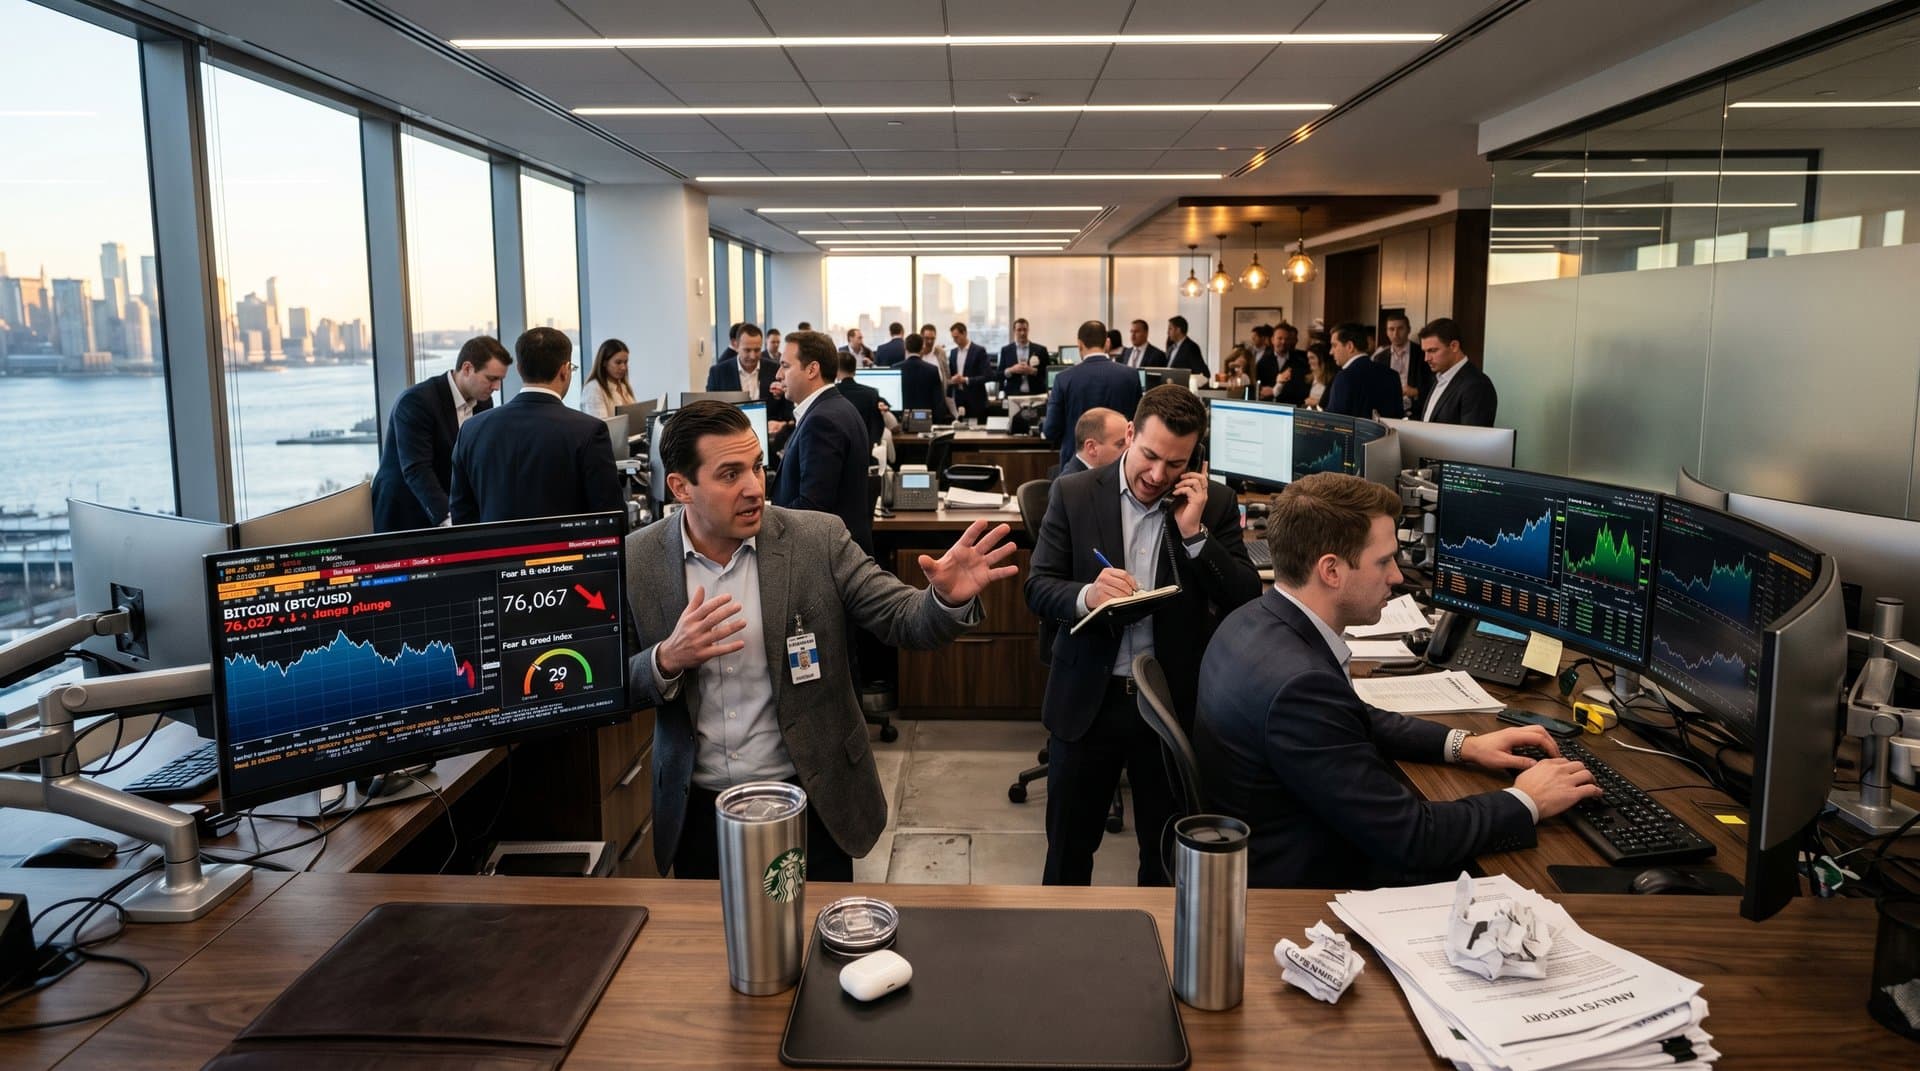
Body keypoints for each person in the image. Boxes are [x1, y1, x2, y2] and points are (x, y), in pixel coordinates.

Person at [626, 401, 1020, 880]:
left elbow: (902, 619)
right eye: (730, 475)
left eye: (757, 466)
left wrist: (943, 601)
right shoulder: (636, 560)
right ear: (680, 487)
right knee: (712, 949)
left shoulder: (817, 539)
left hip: (812, 797)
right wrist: (666, 659)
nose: (754, 488)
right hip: (700, 809)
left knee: (821, 945)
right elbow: (612, 682)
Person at [1193, 473, 1602, 888]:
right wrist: (1527, 799)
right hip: (1307, 886)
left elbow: (1351, 717)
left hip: (1272, 849)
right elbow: (1413, 837)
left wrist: (1463, 745)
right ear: (1331, 570)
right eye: (1384, 561)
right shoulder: (1300, 687)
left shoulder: (1252, 621)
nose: (1397, 577)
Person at [1028, 386, 1260, 886]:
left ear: (1195, 459)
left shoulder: (1213, 503)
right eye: (1150, 456)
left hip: (1168, 704)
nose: (1158, 476)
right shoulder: (1074, 493)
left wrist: (1195, 534)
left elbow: (1244, 596)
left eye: (1175, 464)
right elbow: (1038, 586)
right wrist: (1088, 595)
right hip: (1089, 699)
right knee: (1068, 854)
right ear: (1130, 434)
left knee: (1164, 860)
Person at [448, 327, 625, 524]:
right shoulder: (589, 431)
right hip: (565, 554)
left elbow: (461, 514)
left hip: (495, 553)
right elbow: (610, 517)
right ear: (564, 371)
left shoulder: (471, 429)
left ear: (519, 369)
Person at [370, 335, 508, 532]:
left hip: (449, 509)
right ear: (467, 368)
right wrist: (448, 520)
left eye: (500, 380)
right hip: (406, 513)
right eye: (491, 379)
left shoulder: (484, 403)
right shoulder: (417, 402)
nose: (496, 387)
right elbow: (417, 469)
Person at [773, 330, 876, 554]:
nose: (779, 374)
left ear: (812, 369)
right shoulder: (837, 407)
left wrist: (765, 517)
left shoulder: (822, 420)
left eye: (785, 366)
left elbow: (811, 508)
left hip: (824, 560)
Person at [1042, 320, 1144, 468]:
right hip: (1119, 466)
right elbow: (1137, 424)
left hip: (1076, 469)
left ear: (1079, 344)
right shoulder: (1131, 376)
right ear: (1107, 343)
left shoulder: (1063, 379)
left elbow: (1051, 430)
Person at [1416, 317, 1498, 426]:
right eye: (1425, 351)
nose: (1426, 358)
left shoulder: (1477, 385)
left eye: (1432, 350)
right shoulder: (1439, 377)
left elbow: (1472, 439)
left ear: (1454, 346)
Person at [1325, 322, 1405, 420]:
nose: (1331, 352)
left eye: (1334, 345)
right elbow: (1399, 419)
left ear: (1350, 346)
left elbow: (1333, 421)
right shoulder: (1392, 375)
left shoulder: (1344, 377)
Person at [1372, 311, 1431, 406]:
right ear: (1386, 332)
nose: (1395, 334)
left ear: (1408, 330)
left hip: (1416, 410)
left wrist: (1417, 391)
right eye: (1391, 329)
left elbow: (1434, 383)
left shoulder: (1423, 354)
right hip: (1388, 407)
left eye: (1400, 328)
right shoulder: (1379, 358)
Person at [705, 324, 775, 401]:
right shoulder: (718, 374)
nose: (753, 356)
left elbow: (784, 407)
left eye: (757, 350)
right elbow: (711, 407)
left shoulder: (775, 370)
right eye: (747, 350)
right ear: (736, 346)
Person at [834, 348, 886, 447]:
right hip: (864, 452)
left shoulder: (831, 394)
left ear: (836, 370)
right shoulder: (871, 394)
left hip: (838, 451)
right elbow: (878, 428)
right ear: (854, 370)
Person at [1056, 406, 1128, 477]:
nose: (1128, 450)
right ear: (1092, 447)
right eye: (1120, 444)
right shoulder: (1072, 485)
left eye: (1130, 442)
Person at [898, 330, 951, 421]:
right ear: (922, 347)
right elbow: (938, 400)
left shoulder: (896, 368)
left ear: (905, 347)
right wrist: (939, 420)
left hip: (903, 418)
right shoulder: (932, 370)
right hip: (926, 418)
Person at [946, 322, 994, 422]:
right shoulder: (953, 352)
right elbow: (951, 373)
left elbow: (988, 376)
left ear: (964, 333)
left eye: (957, 337)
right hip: (958, 399)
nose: (955, 340)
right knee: (959, 431)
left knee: (976, 433)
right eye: (953, 338)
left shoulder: (979, 351)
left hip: (975, 399)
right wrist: (952, 380)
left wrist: (966, 380)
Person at [1257, 321, 1310, 404]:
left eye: (1287, 339)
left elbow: (1302, 390)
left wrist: (1274, 391)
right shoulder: (1263, 362)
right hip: (1268, 407)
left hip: (1290, 407)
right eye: (1280, 338)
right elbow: (1260, 389)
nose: (1283, 342)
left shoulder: (1300, 362)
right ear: (1272, 340)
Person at [580, 338, 635, 418]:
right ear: (604, 363)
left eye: (625, 362)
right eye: (618, 362)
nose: (623, 367)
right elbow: (600, 426)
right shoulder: (593, 388)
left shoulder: (623, 386)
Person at [998, 317, 1049, 396]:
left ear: (1028, 330)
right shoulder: (1006, 350)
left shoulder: (1040, 350)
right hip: (1013, 394)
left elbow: (1048, 374)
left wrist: (1033, 371)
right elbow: (999, 374)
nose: (1022, 333)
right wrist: (1011, 370)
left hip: (1036, 394)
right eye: (1019, 330)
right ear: (1014, 331)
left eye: (1025, 329)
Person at [1303, 342, 1336, 409]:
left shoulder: (1332, 379)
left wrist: (1317, 402)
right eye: (1308, 358)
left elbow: (1333, 404)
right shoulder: (1309, 378)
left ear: (1321, 358)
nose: (1309, 362)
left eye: (1312, 358)